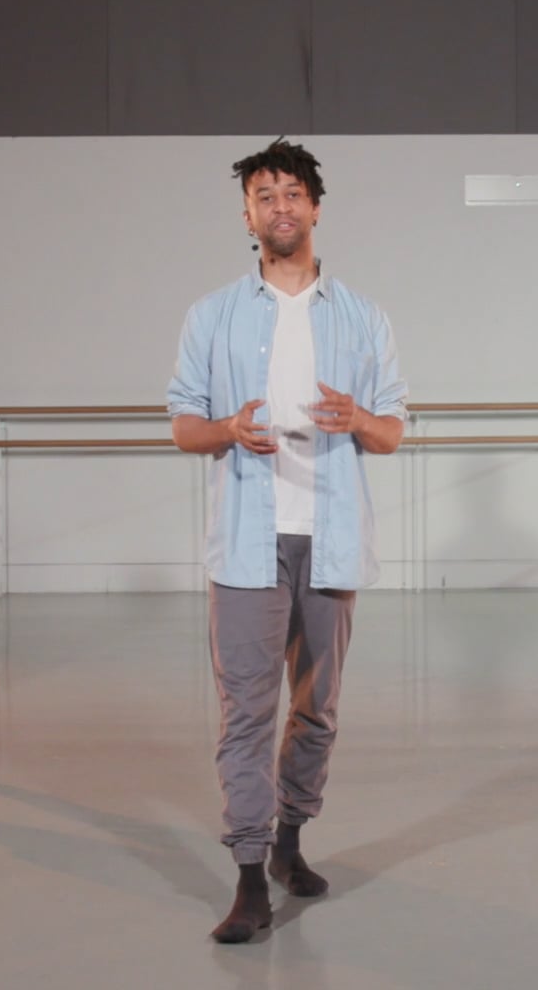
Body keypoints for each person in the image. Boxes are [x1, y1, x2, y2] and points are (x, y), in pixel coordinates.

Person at [166, 138, 409, 944]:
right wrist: (226, 429)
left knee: (317, 711)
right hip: (245, 540)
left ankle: (290, 843)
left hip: (330, 540)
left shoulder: (363, 315)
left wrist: (360, 420)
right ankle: (247, 876)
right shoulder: (212, 315)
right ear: (248, 213)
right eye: (265, 194)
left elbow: (393, 428)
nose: (280, 206)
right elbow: (181, 425)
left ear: (314, 207)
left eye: (293, 193)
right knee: (246, 712)